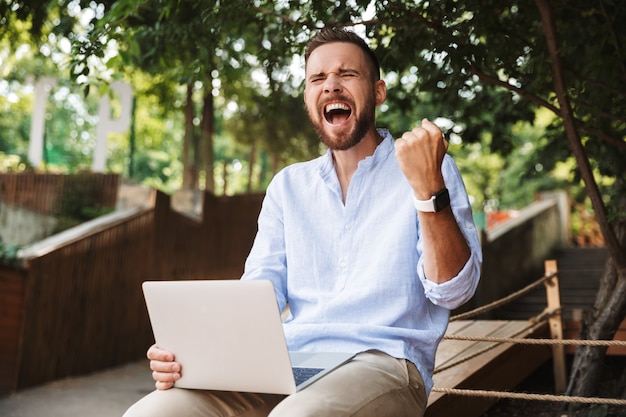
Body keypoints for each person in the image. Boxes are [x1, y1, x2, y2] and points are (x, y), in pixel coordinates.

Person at [124, 27, 482, 417]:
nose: (331, 86)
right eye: (318, 79)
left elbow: (454, 291)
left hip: (386, 362)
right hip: (288, 363)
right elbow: (260, 291)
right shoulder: (288, 186)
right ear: (309, 99)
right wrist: (193, 354)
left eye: (347, 74)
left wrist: (428, 190)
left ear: (377, 92)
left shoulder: (429, 167)